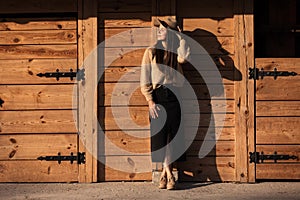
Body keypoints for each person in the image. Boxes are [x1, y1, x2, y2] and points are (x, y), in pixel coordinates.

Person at [140, 17, 190, 190]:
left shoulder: (177, 51)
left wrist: (181, 38)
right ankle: (169, 175)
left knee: (172, 136)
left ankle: (164, 174)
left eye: (162, 28)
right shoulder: (151, 51)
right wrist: (150, 100)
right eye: (158, 29)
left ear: (171, 32)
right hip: (158, 95)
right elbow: (145, 77)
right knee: (161, 137)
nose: (159, 31)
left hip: (175, 96)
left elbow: (184, 59)